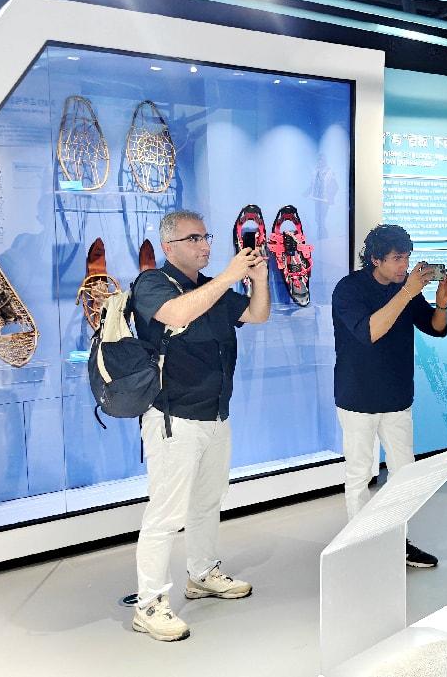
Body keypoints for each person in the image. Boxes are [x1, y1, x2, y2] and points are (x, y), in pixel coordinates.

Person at [128, 210, 270, 641]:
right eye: (193, 239)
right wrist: (228, 276)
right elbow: (175, 315)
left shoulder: (213, 286)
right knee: (166, 514)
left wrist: (259, 279)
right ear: (168, 247)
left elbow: (257, 315)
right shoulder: (152, 283)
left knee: (207, 502)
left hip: (215, 413)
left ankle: (202, 573)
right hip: (174, 417)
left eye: (206, 237)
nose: (204, 245)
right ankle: (149, 603)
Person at [331, 224, 447, 568]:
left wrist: (442, 304)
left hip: (397, 395)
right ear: (376, 259)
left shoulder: (406, 288)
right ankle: (360, 542)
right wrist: (407, 292)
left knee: (405, 473)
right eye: (398, 258)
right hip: (357, 396)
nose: (405, 265)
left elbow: (435, 327)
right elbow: (369, 332)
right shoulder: (349, 289)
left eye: (407, 258)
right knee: (360, 473)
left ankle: (397, 540)